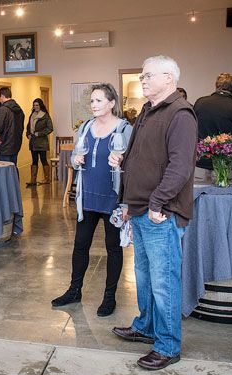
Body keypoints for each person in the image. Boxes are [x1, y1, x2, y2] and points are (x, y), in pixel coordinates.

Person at [110, 56, 197, 371]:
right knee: (144, 277)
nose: (143, 79)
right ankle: (146, 325)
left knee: (164, 281)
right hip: (140, 209)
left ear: (169, 78)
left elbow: (180, 167)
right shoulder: (148, 111)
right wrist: (123, 161)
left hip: (161, 212)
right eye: (142, 75)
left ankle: (168, 345)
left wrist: (158, 203)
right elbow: (146, 156)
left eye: (148, 75)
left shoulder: (181, 114)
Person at [51, 83, 132, 317]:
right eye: (92, 101)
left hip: (112, 200)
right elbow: (77, 155)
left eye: (98, 101)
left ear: (111, 103)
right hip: (88, 198)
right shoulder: (86, 127)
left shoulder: (124, 129)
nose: (94, 105)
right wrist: (76, 160)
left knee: (113, 249)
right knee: (80, 246)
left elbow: (134, 163)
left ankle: (109, 298)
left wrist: (123, 165)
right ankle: (74, 290)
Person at [0, 87, 24, 169]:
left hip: (4, 146)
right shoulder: (19, 110)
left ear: (2, 96)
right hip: (15, 145)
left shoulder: (3, 109)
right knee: (13, 170)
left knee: (3, 172)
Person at [25, 98, 54, 186]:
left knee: (43, 160)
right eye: (34, 105)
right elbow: (28, 127)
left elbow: (50, 128)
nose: (35, 107)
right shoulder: (32, 115)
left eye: (37, 105)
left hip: (41, 142)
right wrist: (28, 134)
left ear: (40, 106)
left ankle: (47, 178)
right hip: (33, 142)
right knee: (34, 160)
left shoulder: (45, 116)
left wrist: (39, 134)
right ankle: (33, 180)